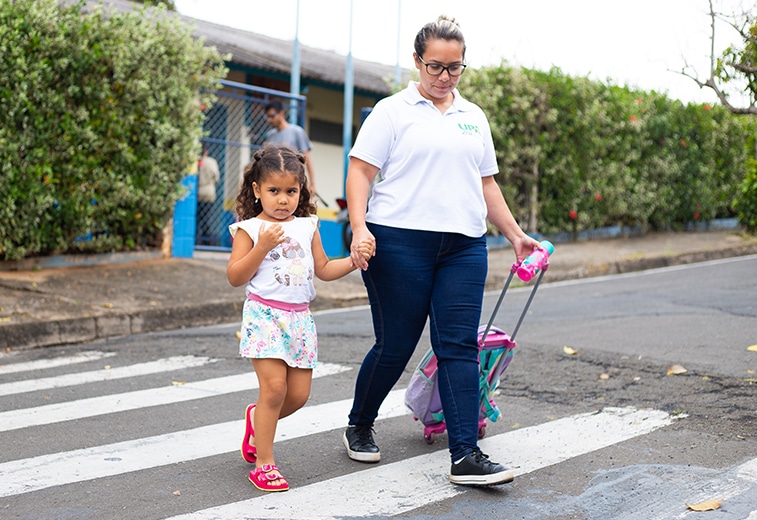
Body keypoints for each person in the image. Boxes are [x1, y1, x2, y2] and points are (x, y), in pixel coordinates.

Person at [342, 16, 541, 487]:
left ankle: (465, 455)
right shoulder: (392, 112)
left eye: (455, 68)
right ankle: (359, 422)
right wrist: (358, 227)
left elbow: (486, 183)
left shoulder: (473, 117)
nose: (444, 77)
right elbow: (359, 173)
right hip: (398, 242)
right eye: (435, 66)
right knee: (396, 345)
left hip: (464, 246)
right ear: (416, 61)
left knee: (457, 346)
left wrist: (514, 234)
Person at [227, 144, 373, 492]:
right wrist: (261, 247)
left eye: (291, 191)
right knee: (274, 390)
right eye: (274, 191)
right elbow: (235, 276)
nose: (282, 199)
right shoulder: (248, 229)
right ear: (257, 190)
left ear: (301, 192)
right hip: (264, 316)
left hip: (300, 320)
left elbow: (322, 268)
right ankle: (264, 463)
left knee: (298, 396)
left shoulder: (308, 226)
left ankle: (255, 419)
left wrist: (353, 261)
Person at [263, 100, 317, 196]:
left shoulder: (297, 132)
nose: (269, 120)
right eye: (267, 117)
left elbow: (307, 158)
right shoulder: (270, 136)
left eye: (272, 116)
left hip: (292, 181)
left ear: (281, 113)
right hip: (274, 183)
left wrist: (312, 184)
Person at [197, 146, 220, 245]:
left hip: (198, 190)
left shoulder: (196, 162)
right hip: (209, 191)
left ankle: (196, 238)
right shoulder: (212, 162)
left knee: (198, 216)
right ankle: (206, 239)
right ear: (206, 151)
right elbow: (216, 177)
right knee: (206, 217)